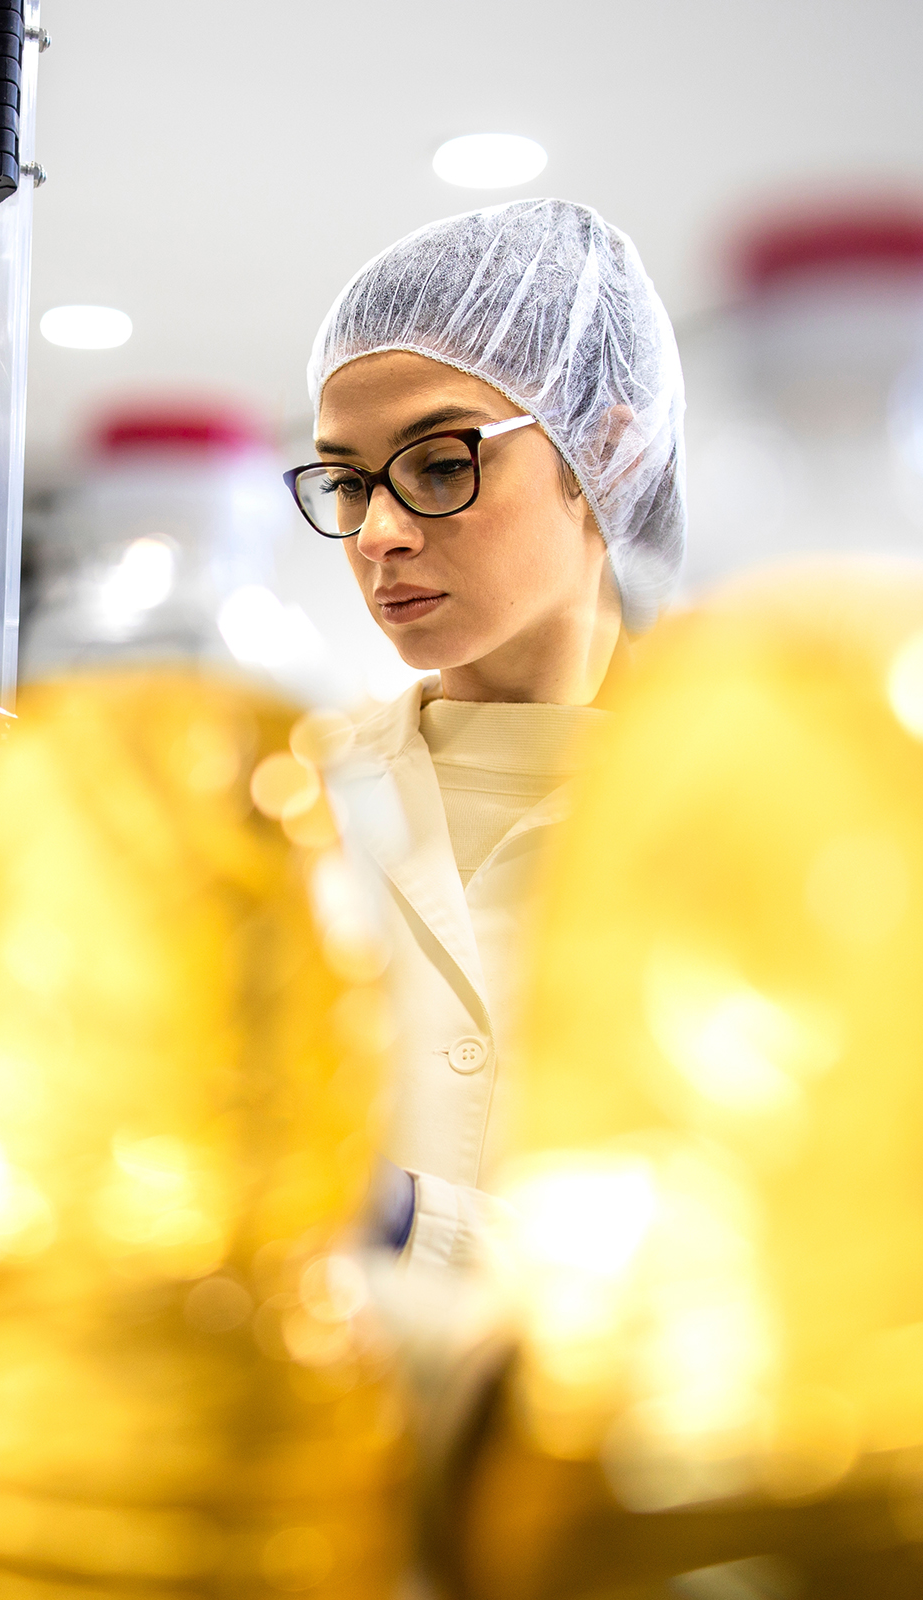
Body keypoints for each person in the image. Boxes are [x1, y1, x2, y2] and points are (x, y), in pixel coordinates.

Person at [295, 197, 686, 1273]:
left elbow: (782, 1249)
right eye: (345, 481)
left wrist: (406, 1224)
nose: (377, 533)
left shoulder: (753, 808)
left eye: (438, 462)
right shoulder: (294, 798)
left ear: (604, 451)